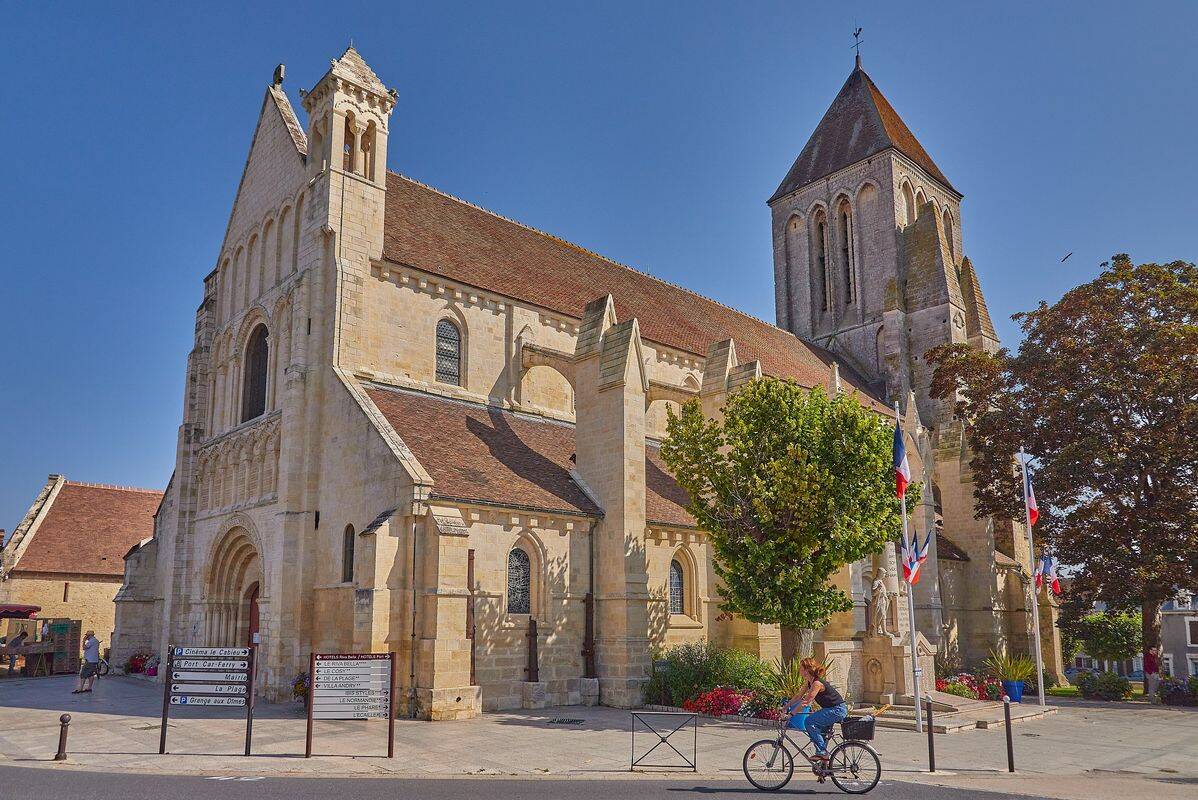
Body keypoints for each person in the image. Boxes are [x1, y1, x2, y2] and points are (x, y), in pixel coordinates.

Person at [785, 657, 849, 766]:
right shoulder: (809, 682)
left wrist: (791, 714)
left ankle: (822, 752)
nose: (799, 670)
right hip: (830, 709)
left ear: (806, 670)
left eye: (801, 668)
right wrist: (785, 707)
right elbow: (798, 696)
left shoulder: (817, 683)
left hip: (837, 709)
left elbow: (806, 702)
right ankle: (823, 765)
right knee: (818, 731)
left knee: (809, 721)